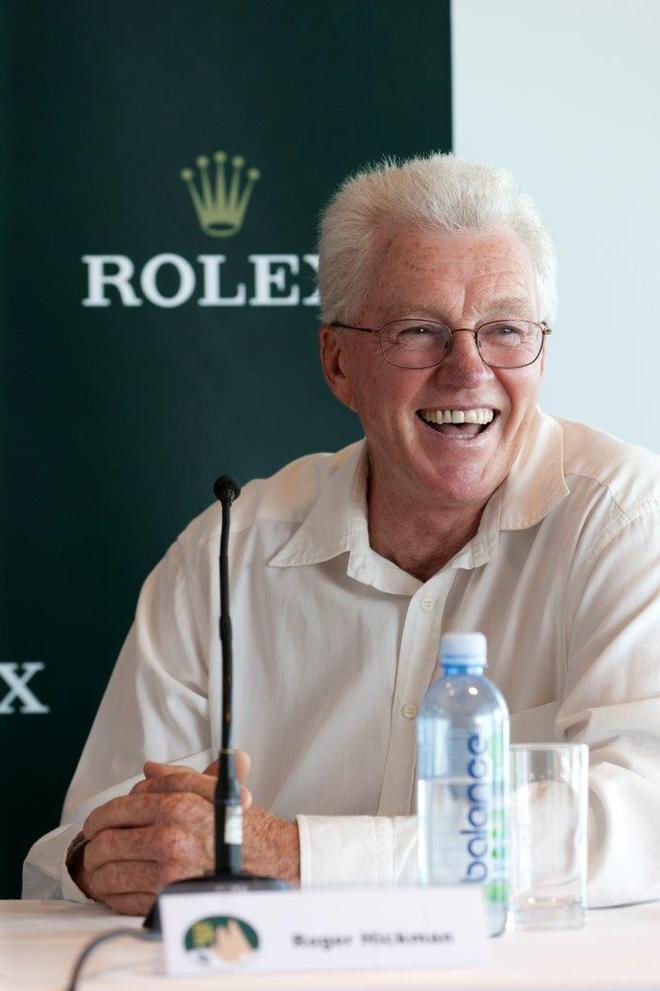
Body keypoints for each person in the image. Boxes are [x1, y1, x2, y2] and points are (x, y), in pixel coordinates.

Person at [24, 154, 660, 915]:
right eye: (419, 331)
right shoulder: (226, 553)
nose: (468, 370)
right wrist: (110, 859)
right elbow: (82, 843)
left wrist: (296, 855)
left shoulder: (626, 520)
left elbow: (641, 821)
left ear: (542, 351)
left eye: (504, 330)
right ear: (337, 361)